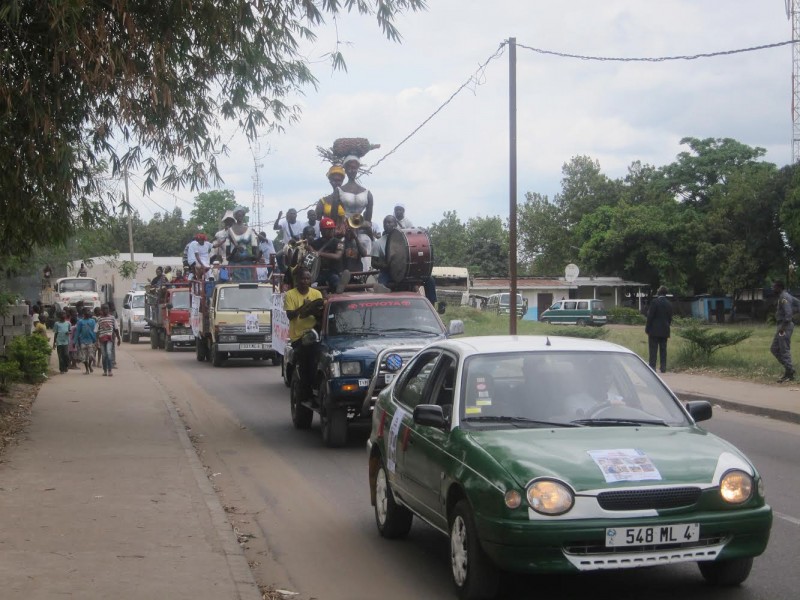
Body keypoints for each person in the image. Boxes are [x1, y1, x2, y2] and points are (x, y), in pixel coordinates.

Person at [371, 214, 437, 305]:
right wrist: (386, 266)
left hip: (406, 271)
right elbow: (373, 263)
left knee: (430, 280)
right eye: (385, 223)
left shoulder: (404, 239)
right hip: (387, 273)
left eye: (390, 222)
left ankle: (432, 305)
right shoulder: (378, 243)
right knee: (381, 285)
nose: (387, 224)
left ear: (395, 224)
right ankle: (382, 307)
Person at [284, 266, 324, 395]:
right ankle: (306, 390)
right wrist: (304, 307)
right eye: (303, 278)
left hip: (315, 334)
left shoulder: (316, 294)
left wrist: (312, 310)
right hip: (298, 337)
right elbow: (290, 315)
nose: (305, 281)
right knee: (306, 361)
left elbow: (320, 315)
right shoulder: (290, 295)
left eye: (308, 278)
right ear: (297, 280)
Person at [310, 217, 350, 293]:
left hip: (333, 271)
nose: (331, 231)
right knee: (310, 282)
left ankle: (340, 287)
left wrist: (318, 253)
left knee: (335, 281)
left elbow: (337, 256)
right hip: (318, 272)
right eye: (328, 229)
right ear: (322, 230)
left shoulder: (339, 242)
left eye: (332, 228)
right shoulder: (315, 243)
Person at [771, 280, 795, 383]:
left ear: (779, 287)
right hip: (782, 325)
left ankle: (789, 373)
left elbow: (788, 314)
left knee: (784, 349)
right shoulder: (785, 296)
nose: (773, 289)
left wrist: (783, 326)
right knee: (774, 348)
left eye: (774, 287)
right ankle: (789, 369)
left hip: (784, 327)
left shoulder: (784, 297)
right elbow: (798, 304)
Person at [645, 286, 672, 374]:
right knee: (663, 349)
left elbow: (650, 316)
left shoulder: (654, 302)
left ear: (659, 292)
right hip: (665, 329)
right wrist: (667, 326)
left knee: (653, 349)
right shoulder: (669, 303)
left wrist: (647, 328)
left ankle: (652, 367)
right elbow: (669, 318)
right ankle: (663, 367)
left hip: (654, 330)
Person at [227, 207, 259, 280]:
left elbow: (255, 252)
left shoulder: (250, 230)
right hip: (234, 264)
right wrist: (235, 250)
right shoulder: (230, 231)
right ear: (235, 216)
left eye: (241, 215)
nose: (240, 217)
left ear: (243, 216)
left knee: (250, 285)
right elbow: (228, 257)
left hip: (247, 265)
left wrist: (253, 256)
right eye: (238, 215)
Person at [316, 165, 347, 235]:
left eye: (339, 180)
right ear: (330, 182)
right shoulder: (323, 201)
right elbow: (317, 222)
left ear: (342, 182)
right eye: (334, 180)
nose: (337, 183)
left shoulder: (347, 200)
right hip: (328, 235)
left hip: (345, 234)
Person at [95, 304, 121, 376]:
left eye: (107, 309)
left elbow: (116, 329)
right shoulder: (99, 319)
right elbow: (96, 331)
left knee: (109, 353)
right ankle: (105, 370)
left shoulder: (112, 318)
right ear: (101, 310)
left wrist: (119, 339)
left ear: (108, 310)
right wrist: (96, 341)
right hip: (102, 339)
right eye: (104, 309)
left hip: (110, 339)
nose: (105, 310)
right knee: (104, 355)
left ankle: (110, 370)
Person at [75, 308, 97, 374]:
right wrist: (74, 341)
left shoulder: (92, 321)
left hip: (91, 341)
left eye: (89, 311)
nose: (88, 312)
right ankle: (87, 369)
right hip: (83, 341)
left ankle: (90, 365)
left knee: (90, 355)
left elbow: (95, 331)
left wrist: (95, 340)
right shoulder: (80, 322)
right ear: (83, 313)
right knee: (84, 357)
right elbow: (78, 332)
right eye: (86, 311)